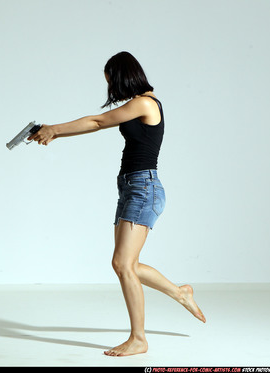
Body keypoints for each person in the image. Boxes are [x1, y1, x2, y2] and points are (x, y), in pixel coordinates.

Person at [28, 51, 206, 357]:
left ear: (123, 76)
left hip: (143, 188)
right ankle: (180, 292)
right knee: (127, 264)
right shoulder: (137, 104)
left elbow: (98, 121)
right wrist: (53, 130)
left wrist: (55, 129)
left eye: (110, 79)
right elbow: (97, 122)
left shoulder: (145, 103)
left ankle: (139, 339)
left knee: (123, 264)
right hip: (130, 187)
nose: (110, 86)